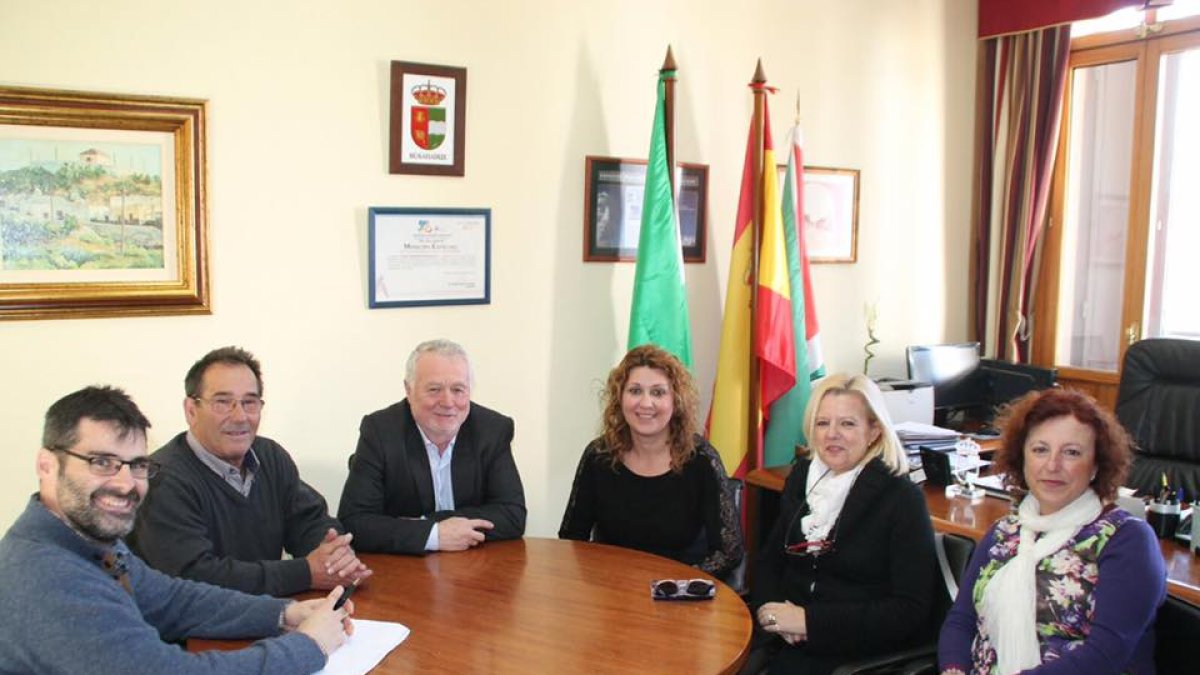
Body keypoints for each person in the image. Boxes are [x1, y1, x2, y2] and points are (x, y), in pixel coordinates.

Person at [0, 386, 353, 674]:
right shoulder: (46, 575)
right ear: (47, 466)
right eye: (102, 462)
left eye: (137, 465)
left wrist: (283, 613)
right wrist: (309, 646)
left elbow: (171, 600)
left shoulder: (89, 540)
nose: (126, 484)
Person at [938, 388, 1165, 674]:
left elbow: (1105, 655)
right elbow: (961, 620)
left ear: (1096, 465)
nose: (1052, 465)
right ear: (1022, 457)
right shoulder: (1003, 533)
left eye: (1071, 452)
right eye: (1040, 449)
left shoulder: (1127, 540)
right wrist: (954, 669)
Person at [129, 347, 371, 596]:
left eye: (249, 402)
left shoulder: (270, 456)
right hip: (194, 620)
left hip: (270, 610)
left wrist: (334, 557)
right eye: (223, 402)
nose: (240, 416)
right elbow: (195, 576)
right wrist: (306, 573)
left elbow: (309, 521)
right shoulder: (161, 479)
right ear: (191, 410)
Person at [751, 373, 937, 675]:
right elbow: (769, 564)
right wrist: (773, 618)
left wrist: (809, 622)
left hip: (856, 658)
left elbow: (909, 611)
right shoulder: (802, 479)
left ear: (874, 431)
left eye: (847, 424)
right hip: (785, 642)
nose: (832, 434)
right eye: (822, 423)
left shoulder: (902, 498)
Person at [558, 345, 742, 578]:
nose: (645, 403)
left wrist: (674, 584)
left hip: (678, 590)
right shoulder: (598, 456)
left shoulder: (701, 459)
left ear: (676, 401)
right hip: (612, 587)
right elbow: (572, 539)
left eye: (658, 392)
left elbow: (729, 552)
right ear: (619, 398)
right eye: (635, 391)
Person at [338, 338, 526, 554]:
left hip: (474, 564)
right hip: (405, 566)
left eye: (458, 390)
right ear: (409, 390)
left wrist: (429, 524)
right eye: (434, 389)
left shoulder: (492, 430)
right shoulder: (380, 431)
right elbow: (354, 522)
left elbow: (512, 515)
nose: (448, 402)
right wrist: (434, 535)